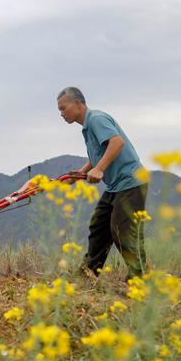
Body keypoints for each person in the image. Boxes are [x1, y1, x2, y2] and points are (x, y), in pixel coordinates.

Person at [55, 87, 148, 279]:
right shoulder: (87, 127)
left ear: (78, 104)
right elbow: (100, 152)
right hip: (116, 185)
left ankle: (140, 278)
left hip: (130, 181)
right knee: (99, 225)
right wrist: (82, 172)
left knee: (121, 230)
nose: (61, 114)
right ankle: (89, 271)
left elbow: (116, 142)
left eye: (63, 109)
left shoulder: (96, 119)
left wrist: (100, 169)